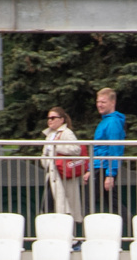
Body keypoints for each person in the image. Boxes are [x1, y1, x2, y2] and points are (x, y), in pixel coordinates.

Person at [42, 104, 87, 220]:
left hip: (64, 176)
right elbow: (45, 154)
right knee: (49, 207)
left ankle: (69, 235)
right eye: (48, 118)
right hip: (52, 176)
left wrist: (58, 146)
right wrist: (45, 162)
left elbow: (76, 149)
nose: (50, 121)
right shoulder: (50, 135)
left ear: (61, 119)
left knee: (66, 207)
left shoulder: (66, 133)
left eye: (53, 118)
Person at [90, 87, 127, 216]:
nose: (99, 105)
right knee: (113, 203)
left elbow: (114, 148)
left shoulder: (112, 122)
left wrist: (110, 174)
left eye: (103, 102)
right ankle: (134, 231)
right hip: (100, 166)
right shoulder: (106, 121)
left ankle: (85, 233)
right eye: (98, 101)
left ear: (112, 103)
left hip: (104, 167)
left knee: (90, 202)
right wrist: (90, 169)